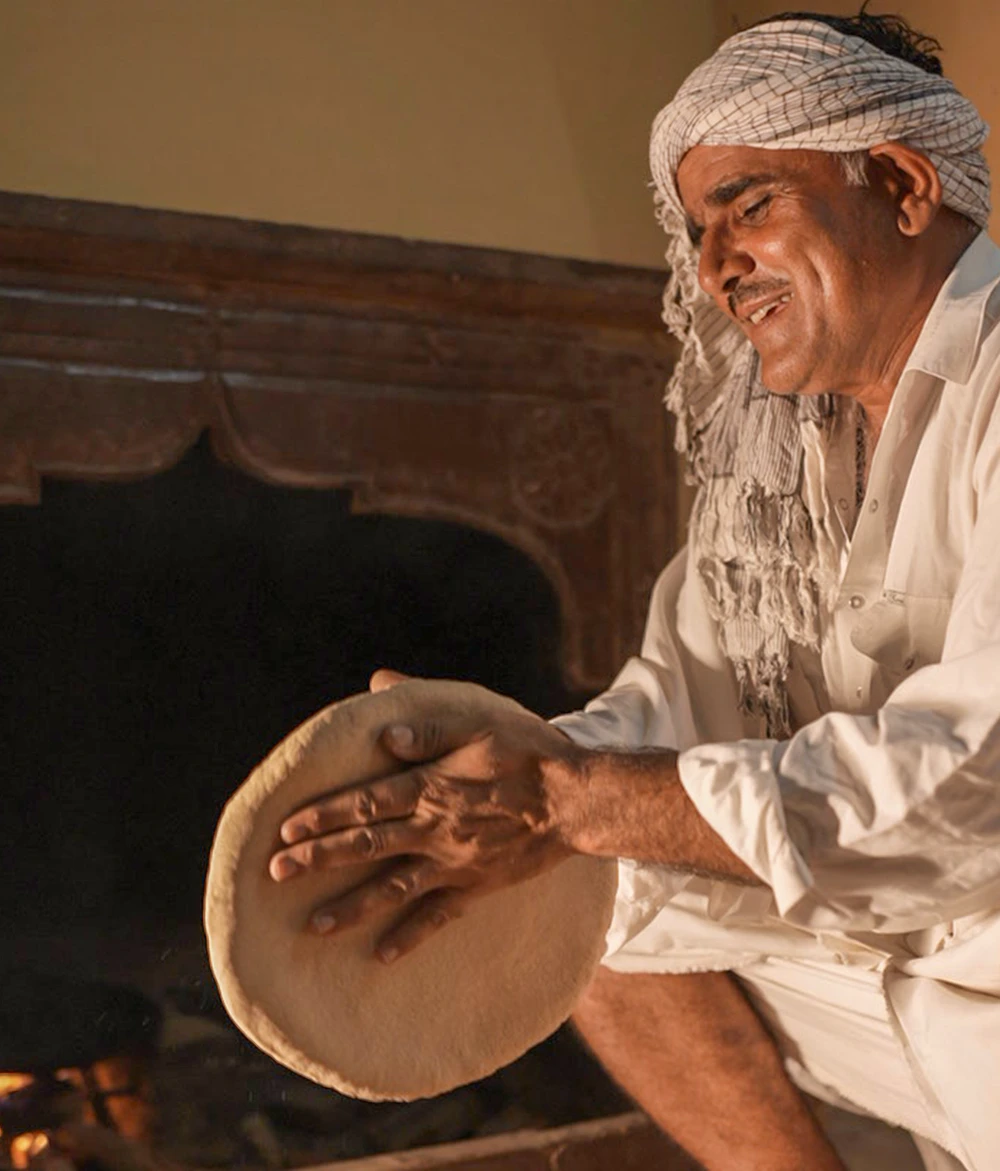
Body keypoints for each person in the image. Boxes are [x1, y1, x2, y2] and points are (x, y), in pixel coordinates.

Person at [268, 12, 1000, 1171]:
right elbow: (669, 705)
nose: (713, 267)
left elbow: (978, 779)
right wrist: (486, 762)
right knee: (578, 891)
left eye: (750, 203)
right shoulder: (780, 462)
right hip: (912, 971)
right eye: (698, 230)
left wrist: (564, 796)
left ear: (902, 184)